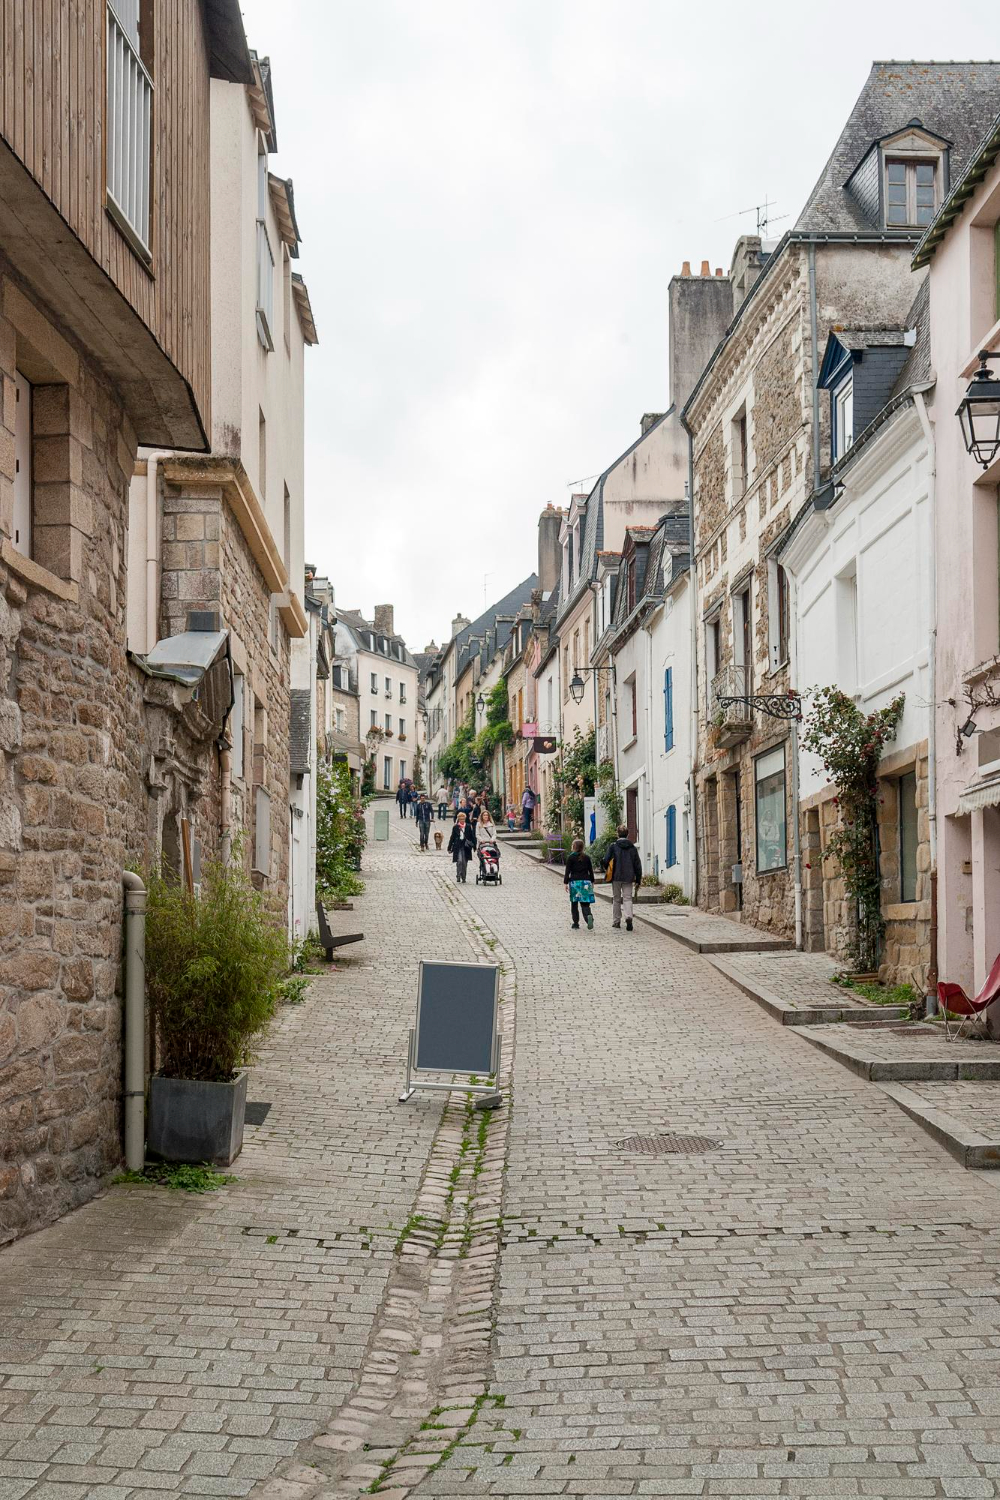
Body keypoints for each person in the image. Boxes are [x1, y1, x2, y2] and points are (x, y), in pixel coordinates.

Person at [603, 824, 642, 931]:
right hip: (629, 876)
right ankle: (628, 916)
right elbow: (637, 865)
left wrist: (606, 868)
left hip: (616, 876)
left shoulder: (613, 846)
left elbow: (606, 860)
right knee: (627, 898)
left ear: (617, 834)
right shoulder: (632, 848)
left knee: (616, 899)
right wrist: (638, 879)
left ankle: (616, 921)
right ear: (627, 834)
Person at [563, 838, 596, 930]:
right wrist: (592, 881)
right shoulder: (587, 857)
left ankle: (576, 923)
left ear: (574, 847)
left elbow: (567, 871)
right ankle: (588, 917)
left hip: (575, 883)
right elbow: (590, 871)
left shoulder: (571, 858)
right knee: (585, 903)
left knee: (574, 903)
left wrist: (565, 882)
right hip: (585, 882)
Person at [448, 812, 474, 883]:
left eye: (463, 819)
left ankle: (464, 877)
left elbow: (472, 836)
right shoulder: (455, 827)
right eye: (460, 819)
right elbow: (452, 837)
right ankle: (458, 875)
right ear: (458, 819)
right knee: (459, 861)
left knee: (464, 862)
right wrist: (449, 847)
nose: (462, 820)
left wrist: (474, 846)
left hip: (466, 846)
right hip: (458, 845)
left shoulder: (468, 826)